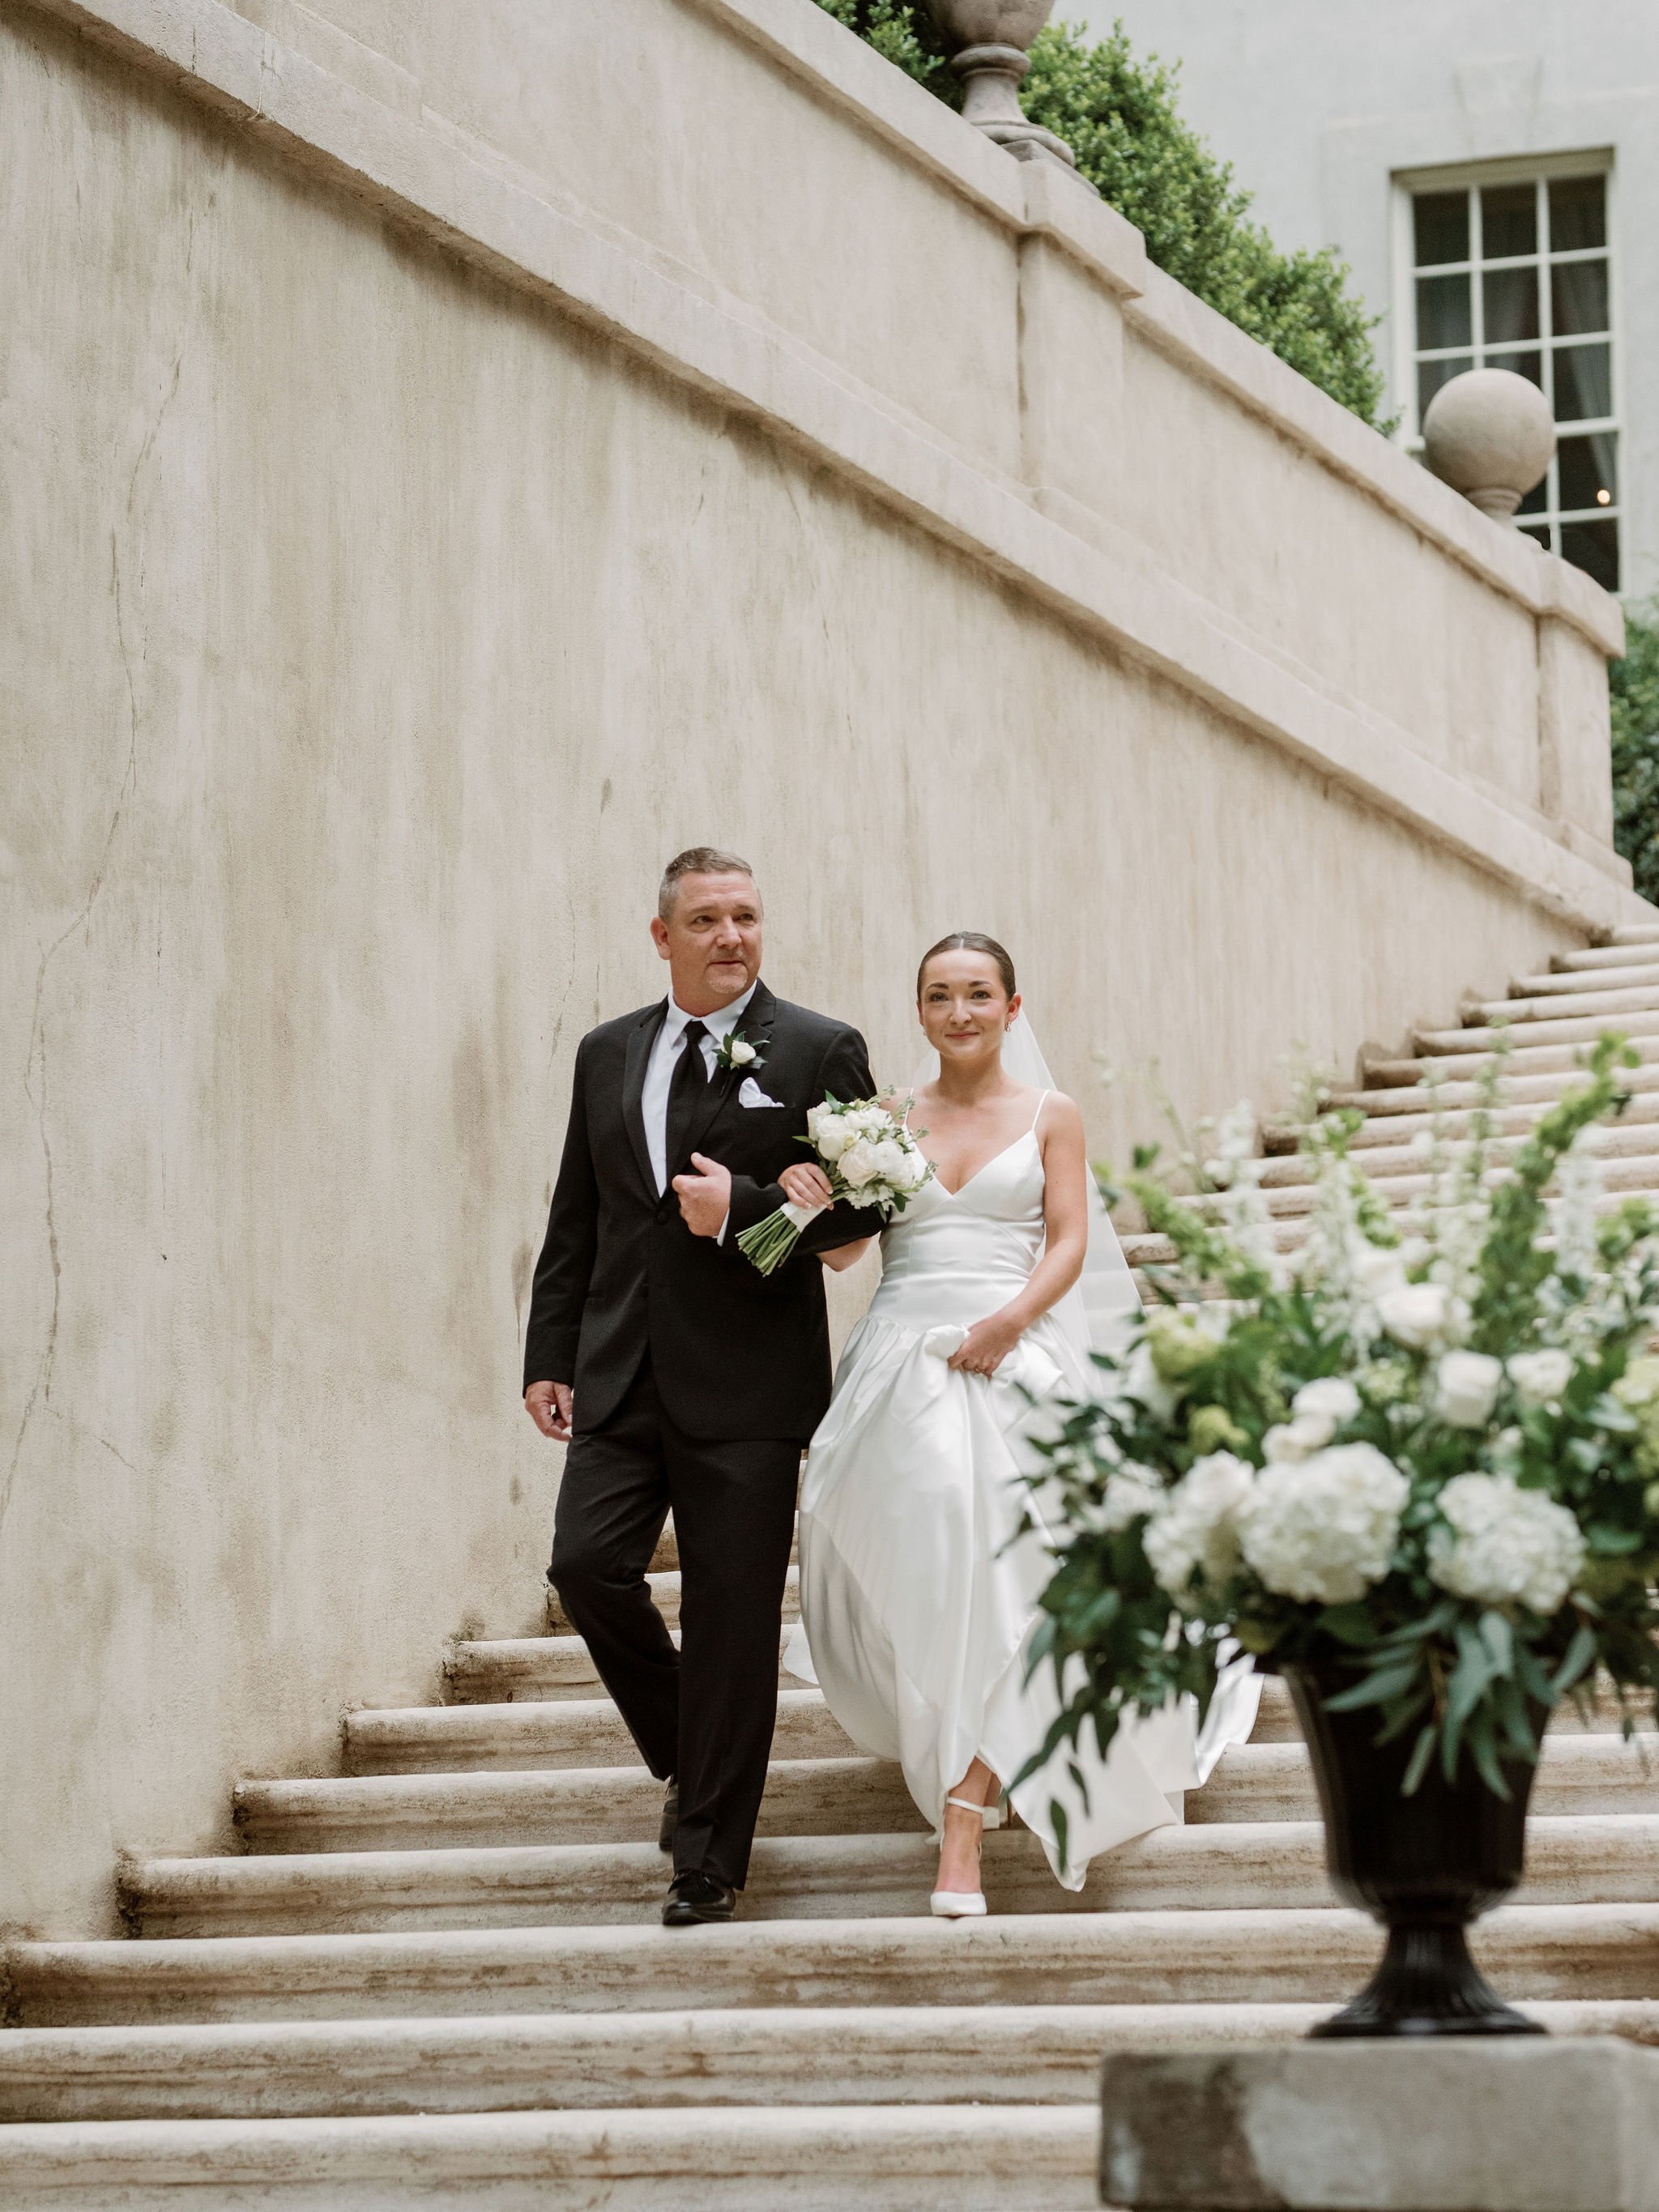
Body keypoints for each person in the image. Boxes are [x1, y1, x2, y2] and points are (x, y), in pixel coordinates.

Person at [781, 932, 1258, 1915]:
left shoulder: (1052, 1114)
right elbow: (842, 1257)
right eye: (939, 996)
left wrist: (1006, 1322)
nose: (960, 1012)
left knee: (1037, 1565)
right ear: (918, 1011)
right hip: (899, 1367)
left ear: (1011, 1005)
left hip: (1013, 1349)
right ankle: (965, 1762)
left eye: (978, 994)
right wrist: (802, 1202)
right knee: (945, 1563)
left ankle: (967, 1803)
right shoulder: (879, 1120)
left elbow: (1070, 1239)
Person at [522, 848, 875, 1926]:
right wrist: (549, 1351)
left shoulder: (818, 1047)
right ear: (661, 933)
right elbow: (580, 1212)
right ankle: (694, 1751)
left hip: (750, 1384)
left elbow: (865, 1216)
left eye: (749, 916)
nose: (733, 935)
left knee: (731, 1621)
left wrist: (755, 1207)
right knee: (586, 1565)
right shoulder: (605, 1052)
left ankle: (710, 1858)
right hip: (620, 1369)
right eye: (710, 918)